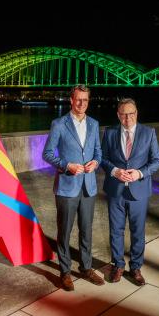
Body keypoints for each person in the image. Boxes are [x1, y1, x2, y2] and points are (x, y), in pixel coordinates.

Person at [43, 84, 104, 291]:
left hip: (89, 186)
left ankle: (86, 268)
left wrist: (95, 163)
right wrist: (66, 165)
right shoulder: (59, 124)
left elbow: (98, 152)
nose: (81, 104)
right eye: (78, 99)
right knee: (65, 231)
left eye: (85, 100)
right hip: (67, 186)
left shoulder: (94, 124)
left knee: (86, 230)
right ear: (71, 100)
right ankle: (65, 271)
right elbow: (48, 153)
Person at [100, 98, 159, 286]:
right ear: (118, 115)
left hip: (139, 191)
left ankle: (135, 267)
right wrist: (114, 171)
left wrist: (140, 173)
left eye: (131, 113)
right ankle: (118, 265)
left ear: (137, 114)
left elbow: (157, 160)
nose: (128, 117)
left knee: (138, 231)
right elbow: (102, 158)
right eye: (124, 114)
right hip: (115, 189)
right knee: (115, 230)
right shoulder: (110, 133)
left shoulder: (148, 132)